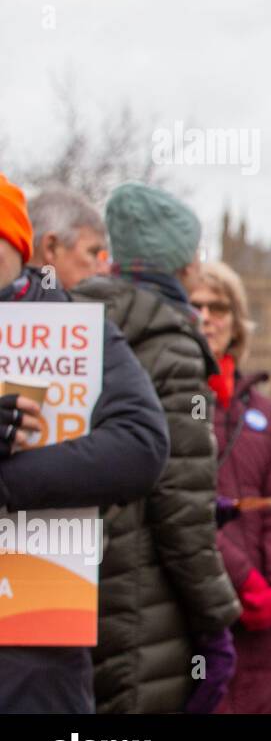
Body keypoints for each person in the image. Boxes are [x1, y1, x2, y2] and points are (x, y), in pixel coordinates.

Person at [0, 174, 170, 713]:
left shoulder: (72, 329)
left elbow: (140, 447)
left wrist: (7, 482)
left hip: (35, 648)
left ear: (16, 246)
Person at [71, 183, 242, 713]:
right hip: (145, 604)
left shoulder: (71, 323)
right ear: (183, 264)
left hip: (69, 593)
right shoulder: (171, 344)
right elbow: (180, 506)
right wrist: (217, 620)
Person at [191, 259, 271, 713]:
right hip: (199, 607)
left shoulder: (261, 410)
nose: (206, 317)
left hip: (260, 628)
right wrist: (245, 580)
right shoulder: (165, 399)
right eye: (195, 306)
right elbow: (179, 505)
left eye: (217, 308)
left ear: (236, 322)